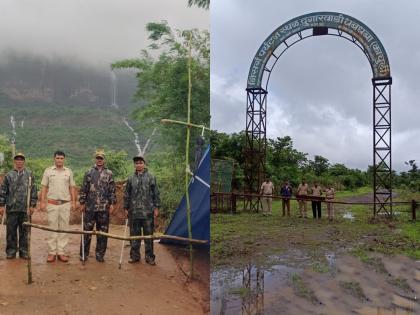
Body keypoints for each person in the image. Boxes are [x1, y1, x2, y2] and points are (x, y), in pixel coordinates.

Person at [79, 150, 116, 262]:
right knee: (87, 232)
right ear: (95, 159)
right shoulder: (89, 172)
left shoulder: (109, 173)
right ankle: (83, 254)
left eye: (101, 158)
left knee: (102, 233)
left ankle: (100, 255)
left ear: (104, 160)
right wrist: (81, 202)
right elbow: (84, 188)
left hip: (104, 209)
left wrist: (112, 203)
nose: (99, 160)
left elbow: (112, 190)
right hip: (90, 208)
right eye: (98, 158)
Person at [40, 151, 76, 263]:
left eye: (61, 158)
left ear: (64, 159)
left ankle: (61, 252)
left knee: (64, 228)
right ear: (54, 159)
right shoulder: (48, 171)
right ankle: (52, 252)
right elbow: (44, 187)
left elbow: (72, 187)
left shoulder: (68, 171)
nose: (59, 160)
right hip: (52, 203)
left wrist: (74, 202)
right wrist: (42, 201)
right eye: (57, 158)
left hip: (65, 204)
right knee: (52, 227)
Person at [124, 156, 160, 265]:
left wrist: (156, 207)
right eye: (136, 163)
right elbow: (127, 194)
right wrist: (126, 208)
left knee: (148, 236)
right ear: (134, 165)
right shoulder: (130, 178)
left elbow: (156, 193)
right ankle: (134, 256)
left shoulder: (151, 177)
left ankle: (149, 257)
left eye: (140, 162)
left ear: (144, 164)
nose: (138, 164)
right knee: (134, 236)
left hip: (147, 212)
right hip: (134, 212)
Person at [0, 153, 37, 259]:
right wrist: (2, 205)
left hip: (25, 209)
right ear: (14, 162)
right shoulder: (9, 175)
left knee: (25, 231)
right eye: (17, 159)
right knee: (11, 231)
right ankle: (11, 251)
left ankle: (24, 251)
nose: (19, 161)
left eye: (21, 160)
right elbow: (3, 191)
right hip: (11, 208)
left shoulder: (29, 175)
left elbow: (33, 190)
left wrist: (32, 205)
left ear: (24, 161)